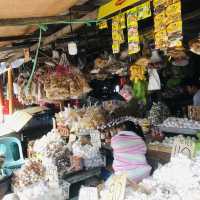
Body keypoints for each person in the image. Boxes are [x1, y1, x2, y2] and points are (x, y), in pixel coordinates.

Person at [103, 117, 151, 183]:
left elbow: (113, 145)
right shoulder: (140, 139)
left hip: (123, 176)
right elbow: (144, 150)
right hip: (142, 173)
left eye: (117, 128)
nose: (116, 130)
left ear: (123, 126)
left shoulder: (115, 139)